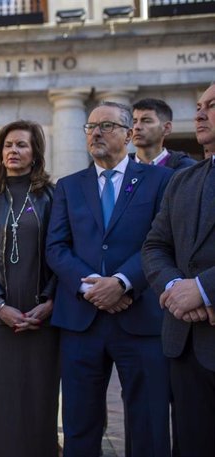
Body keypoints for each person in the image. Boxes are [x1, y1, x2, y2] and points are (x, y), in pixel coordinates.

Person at [46, 102, 172, 457]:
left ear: (130, 135)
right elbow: (56, 247)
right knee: (80, 424)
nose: (96, 133)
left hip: (140, 317)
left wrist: (121, 282)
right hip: (80, 322)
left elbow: (160, 241)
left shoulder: (160, 181)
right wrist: (91, 288)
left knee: (148, 423)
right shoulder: (69, 186)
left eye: (106, 126)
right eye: (90, 127)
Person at [0, 121, 59, 457]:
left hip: (42, 316)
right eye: (7, 145)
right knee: (2, 402)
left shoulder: (52, 196)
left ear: (35, 153)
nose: (13, 151)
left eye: (21, 145)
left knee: (41, 400)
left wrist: (49, 301)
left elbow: (62, 252)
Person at [142, 83, 215, 456]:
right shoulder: (182, 181)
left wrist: (203, 289)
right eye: (198, 106)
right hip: (185, 344)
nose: (199, 114)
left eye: (212, 106)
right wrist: (176, 289)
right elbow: (155, 246)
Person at [131, 98, 196, 170]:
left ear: (166, 128)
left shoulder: (188, 168)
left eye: (147, 121)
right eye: (134, 122)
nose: (137, 127)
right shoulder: (120, 166)